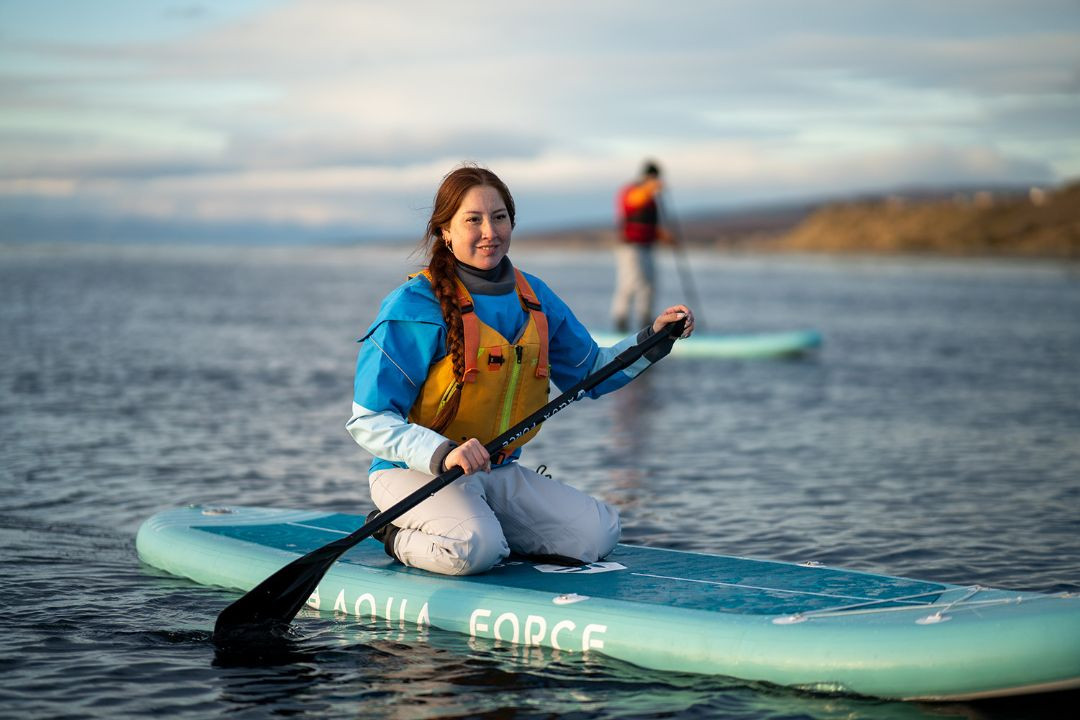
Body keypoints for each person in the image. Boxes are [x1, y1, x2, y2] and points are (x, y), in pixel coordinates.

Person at [346, 164, 694, 577]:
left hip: (497, 471)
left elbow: (594, 372)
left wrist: (654, 338)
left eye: (499, 217)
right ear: (446, 230)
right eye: (472, 220)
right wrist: (441, 453)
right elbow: (368, 421)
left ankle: (488, 529)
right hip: (413, 474)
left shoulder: (535, 297)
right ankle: (388, 530)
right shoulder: (412, 307)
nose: (489, 231)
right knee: (475, 549)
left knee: (597, 533)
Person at [612, 160, 670, 333]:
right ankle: (620, 324)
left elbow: (648, 222)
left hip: (647, 247)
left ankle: (646, 323)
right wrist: (649, 189)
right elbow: (632, 203)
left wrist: (663, 235)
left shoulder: (650, 198)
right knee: (629, 284)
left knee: (649, 285)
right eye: (652, 177)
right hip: (630, 248)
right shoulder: (631, 191)